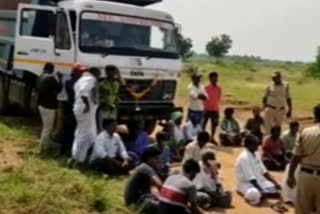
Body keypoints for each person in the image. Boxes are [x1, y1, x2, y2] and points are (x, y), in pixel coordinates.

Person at [287, 104, 320, 214]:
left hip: (306, 176)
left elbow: (295, 156)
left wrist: (290, 175)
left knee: (302, 209)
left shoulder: (305, 132)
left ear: (315, 116)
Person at [236, 134, 281, 206]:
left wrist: (276, 183)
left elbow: (264, 171)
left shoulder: (256, 154)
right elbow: (251, 179)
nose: (258, 146)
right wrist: (260, 190)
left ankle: (264, 193)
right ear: (249, 145)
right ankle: (262, 193)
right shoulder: (243, 158)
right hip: (246, 185)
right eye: (255, 144)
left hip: (259, 182)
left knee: (277, 186)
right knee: (255, 194)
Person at [72, 67, 100, 163]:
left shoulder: (80, 80)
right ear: (95, 73)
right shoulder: (90, 79)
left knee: (89, 133)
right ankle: (77, 158)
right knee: (83, 134)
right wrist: (87, 105)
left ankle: (84, 157)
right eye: (98, 74)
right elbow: (83, 92)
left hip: (83, 109)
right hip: (86, 109)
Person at [124, 147, 162, 213]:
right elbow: (160, 184)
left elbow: (153, 188)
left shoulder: (143, 166)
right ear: (149, 159)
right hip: (137, 203)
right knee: (167, 208)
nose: (159, 161)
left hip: (134, 202)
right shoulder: (146, 168)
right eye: (156, 158)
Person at [61, 63, 86, 156]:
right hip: (72, 110)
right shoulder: (69, 83)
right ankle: (66, 149)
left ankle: (72, 149)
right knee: (69, 131)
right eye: (80, 72)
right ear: (75, 72)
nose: (82, 74)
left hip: (80, 111)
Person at [37, 62, 62, 153]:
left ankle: (45, 144)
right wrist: (59, 78)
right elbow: (59, 89)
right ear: (51, 69)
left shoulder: (40, 76)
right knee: (48, 128)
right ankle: (43, 148)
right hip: (48, 106)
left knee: (45, 126)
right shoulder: (50, 78)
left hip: (41, 105)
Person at [98, 65, 125, 132]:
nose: (113, 74)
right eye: (111, 72)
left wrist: (118, 100)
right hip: (104, 109)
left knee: (113, 127)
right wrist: (105, 102)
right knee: (102, 128)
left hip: (113, 109)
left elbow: (123, 87)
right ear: (107, 72)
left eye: (114, 72)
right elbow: (98, 97)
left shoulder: (117, 84)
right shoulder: (102, 84)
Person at [281, 120, 300, 204]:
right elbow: (283, 149)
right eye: (295, 128)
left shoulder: (299, 135)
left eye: (297, 128)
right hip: (287, 153)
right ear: (291, 127)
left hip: (295, 154)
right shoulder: (285, 135)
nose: (296, 129)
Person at [203, 72, 222, 144]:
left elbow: (218, 98)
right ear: (210, 79)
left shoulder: (219, 88)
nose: (216, 79)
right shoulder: (206, 88)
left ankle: (212, 138)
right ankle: (203, 138)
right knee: (203, 124)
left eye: (216, 77)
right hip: (206, 109)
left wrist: (216, 108)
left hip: (215, 109)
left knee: (214, 125)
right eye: (214, 78)